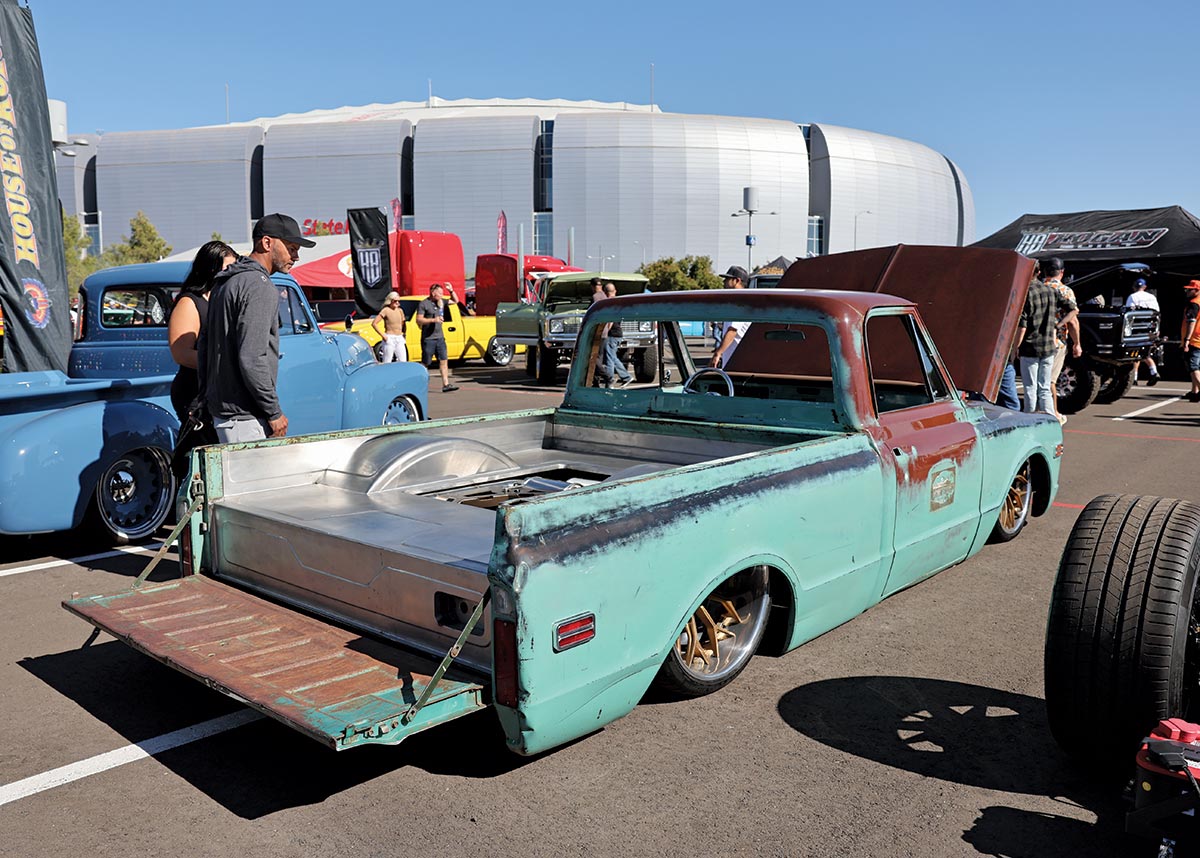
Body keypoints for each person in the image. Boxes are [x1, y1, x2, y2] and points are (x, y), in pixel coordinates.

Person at [199, 213, 314, 442]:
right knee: (256, 478)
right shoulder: (258, 285)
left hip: (225, 413)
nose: (296, 256)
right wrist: (273, 411)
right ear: (267, 242)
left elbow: (205, 347)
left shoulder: (225, 281)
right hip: (245, 416)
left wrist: (205, 397)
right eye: (291, 248)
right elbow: (252, 357)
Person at [168, 240, 236, 422]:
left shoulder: (221, 298)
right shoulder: (189, 303)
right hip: (194, 393)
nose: (232, 273)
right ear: (210, 269)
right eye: (227, 268)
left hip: (217, 391)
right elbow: (181, 354)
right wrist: (222, 364)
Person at [1016, 271, 1078, 417]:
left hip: (1030, 346)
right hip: (1049, 345)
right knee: (1044, 388)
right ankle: (1049, 420)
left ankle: (1028, 419)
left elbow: (1022, 326)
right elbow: (1074, 309)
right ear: (1038, 272)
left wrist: (1015, 348)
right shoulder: (1051, 291)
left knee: (1030, 388)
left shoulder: (1026, 293)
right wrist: (1059, 324)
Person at [1041, 258, 1082, 423]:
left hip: (1034, 341)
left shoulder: (1036, 288)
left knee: (1034, 381)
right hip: (1056, 341)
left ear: (1044, 272)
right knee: (1049, 380)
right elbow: (1072, 320)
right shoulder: (1065, 291)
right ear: (1062, 272)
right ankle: (1054, 414)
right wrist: (1077, 343)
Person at [415, 283, 459, 392]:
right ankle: (421, 385)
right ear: (433, 293)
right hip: (428, 339)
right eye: (439, 293)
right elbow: (419, 319)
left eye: (442, 293)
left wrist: (451, 290)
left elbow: (455, 301)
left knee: (443, 360)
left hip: (440, 338)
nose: (441, 294)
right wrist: (433, 320)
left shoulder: (441, 301)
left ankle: (446, 384)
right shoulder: (424, 304)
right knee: (426, 363)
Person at [711, 266, 749, 368]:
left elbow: (732, 331)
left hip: (738, 362)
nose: (724, 282)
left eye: (728, 279)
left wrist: (718, 353)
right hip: (733, 360)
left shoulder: (740, 302)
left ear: (737, 280)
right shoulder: (736, 301)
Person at [1126, 278, 1160, 385]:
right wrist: (1157, 329)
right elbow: (1157, 313)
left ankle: (1134, 378)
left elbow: (1128, 313)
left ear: (1134, 287)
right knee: (1145, 352)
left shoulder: (1132, 297)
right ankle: (1153, 372)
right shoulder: (1152, 297)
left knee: (1135, 352)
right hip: (1150, 327)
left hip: (1137, 327)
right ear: (1144, 287)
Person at [600, 281, 633, 388]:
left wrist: (605, 331)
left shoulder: (609, 303)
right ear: (615, 291)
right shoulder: (618, 302)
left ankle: (610, 381)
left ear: (605, 292)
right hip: (618, 333)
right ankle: (626, 377)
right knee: (612, 357)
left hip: (612, 334)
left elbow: (610, 321)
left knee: (609, 358)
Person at [371, 291, 407, 362]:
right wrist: (384, 336)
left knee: (403, 360)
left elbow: (403, 323)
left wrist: (404, 334)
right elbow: (374, 323)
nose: (397, 303)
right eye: (395, 301)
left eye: (398, 301)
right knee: (387, 361)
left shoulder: (400, 311)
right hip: (389, 337)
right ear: (390, 301)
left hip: (399, 337)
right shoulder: (386, 310)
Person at [1181, 280, 1200, 402]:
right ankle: (1195, 392)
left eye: (1190, 289)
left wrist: (1187, 339)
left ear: (1197, 290)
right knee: (1195, 365)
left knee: (1193, 366)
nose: (1187, 291)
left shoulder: (1194, 304)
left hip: (1194, 339)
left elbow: (1191, 321)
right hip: (1198, 339)